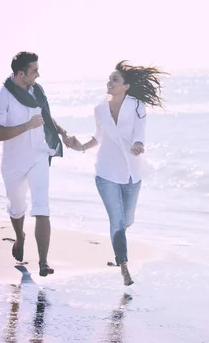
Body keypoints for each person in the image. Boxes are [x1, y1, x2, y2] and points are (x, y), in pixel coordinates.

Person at [64, 60, 165, 286]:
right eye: (109, 79)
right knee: (117, 222)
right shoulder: (99, 109)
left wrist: (138, 145)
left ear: (125, 86)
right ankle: (124, 267)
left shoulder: (137, 106)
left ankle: (119, 247)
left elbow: (140, 133)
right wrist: (79, 146)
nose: (109, 82)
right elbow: (98, 138)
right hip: (106, 171)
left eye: (115, 79)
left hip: (132, 172)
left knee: (127, 220)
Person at [0, 51, 68, 277]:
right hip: (13, 162)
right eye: (34, 71)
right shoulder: (1, 97)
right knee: (17, 207)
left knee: (41, 206)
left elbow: (45, 117)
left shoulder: (36, 91)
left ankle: (43, 262)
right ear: (21, 73)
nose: (38, 74)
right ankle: (19, 236)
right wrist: (27, 125)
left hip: (38, 156)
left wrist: (62, 132)